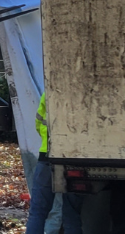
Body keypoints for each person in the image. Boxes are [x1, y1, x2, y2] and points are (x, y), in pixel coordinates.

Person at [27, 92, 83, 234]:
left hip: (48, 156)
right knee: (71, 214)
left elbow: (38, 123)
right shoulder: (83, 93)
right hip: (76, 157)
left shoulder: (50, 92)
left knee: (38, 212)